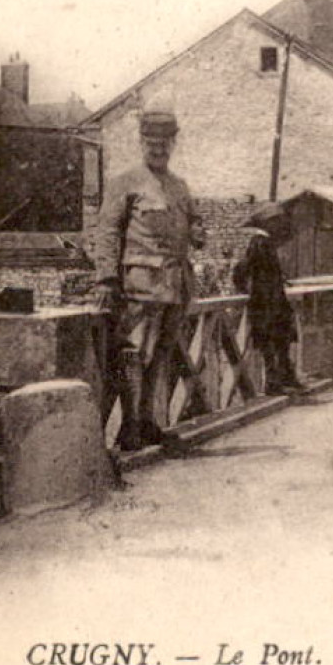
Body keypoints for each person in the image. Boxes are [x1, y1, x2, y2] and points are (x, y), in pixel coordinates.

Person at [92, 97, 207, 449]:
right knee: (133, 354)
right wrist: (107, 279)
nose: (158, 149)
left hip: (175, 287)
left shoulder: (179, 186)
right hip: (139, 287)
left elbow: (191, 224)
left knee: (161, 356)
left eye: (164, 144)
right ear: (141, 143)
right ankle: (129, 425)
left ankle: (148, 420)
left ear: (173, 144)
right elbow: (107, 232)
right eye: (151, 144)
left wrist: (197, 231)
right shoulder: (124, 183)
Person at [232, 203, 312, 396]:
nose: (280, 226)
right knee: (271, 342)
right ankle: (274, 383)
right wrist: (244, 288)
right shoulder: (259, 242)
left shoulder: (265, 242)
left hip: (274, 300)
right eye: (277, 222)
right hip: (266, 302)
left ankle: (285, 378)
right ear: (268, 223)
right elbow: (243, 269)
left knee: (281, 340)